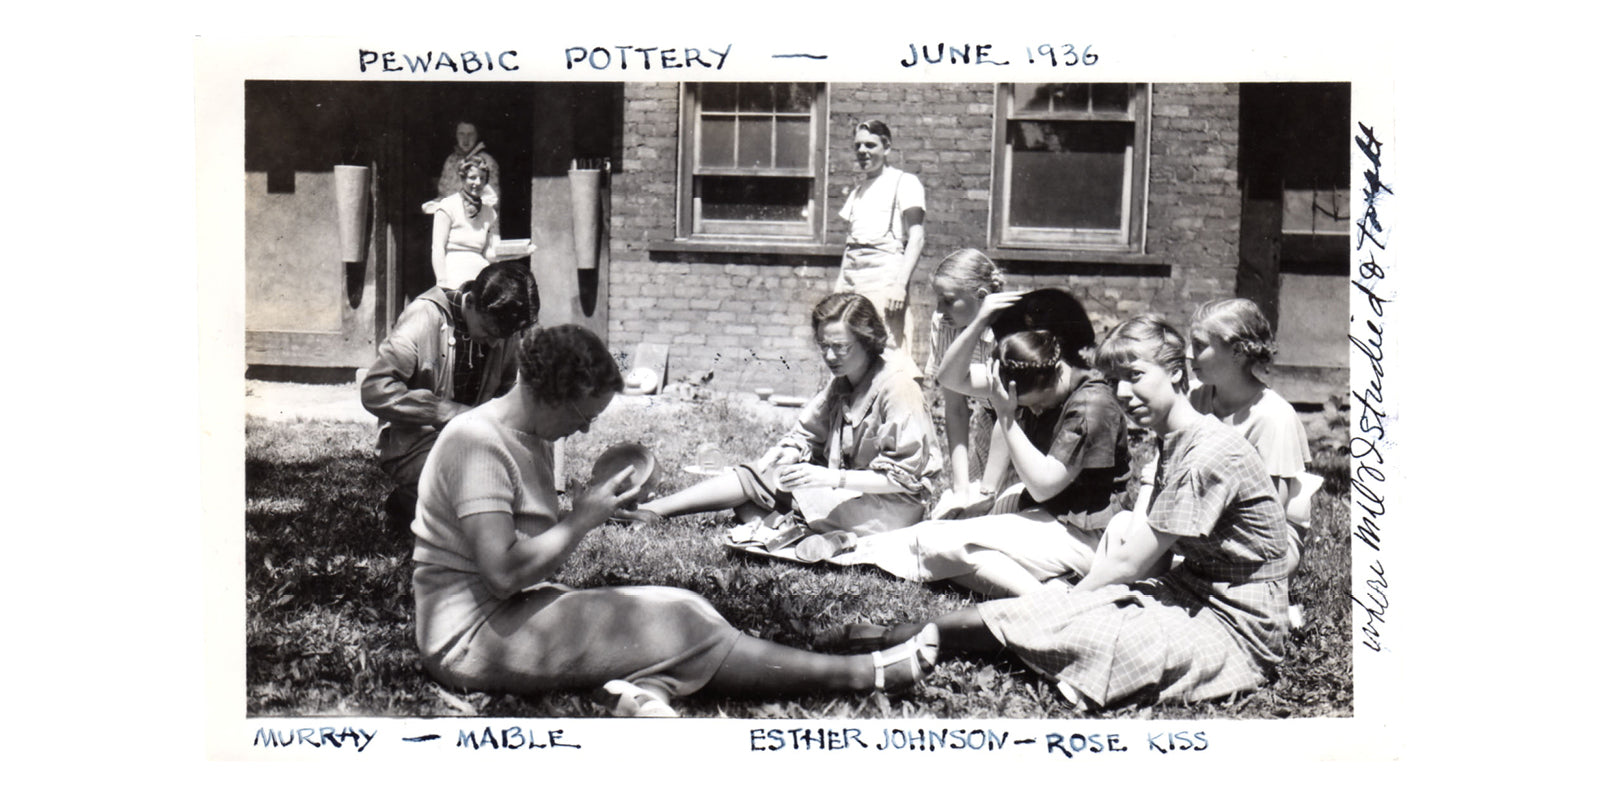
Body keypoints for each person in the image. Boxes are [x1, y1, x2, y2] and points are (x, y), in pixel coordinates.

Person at [411, 324, 940, 718]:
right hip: (469, 636)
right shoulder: (479, 443)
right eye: (583, 417)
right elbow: (502, 573)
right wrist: (580, 520)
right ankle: (857, 675)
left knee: (684, 604)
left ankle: (636, 692)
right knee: (680, 626)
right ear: (552, 395)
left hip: (517, 607)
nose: (584, 429)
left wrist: (585, 509)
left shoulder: (529, 437)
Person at [823, 315, 1298, 711]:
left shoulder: (1207, 452)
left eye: (1136, 376)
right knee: (1083, 617)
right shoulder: (1178, 439)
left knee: (1097, 631)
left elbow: (1134, 563)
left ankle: (912, 636)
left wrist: (1070, 605)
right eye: (1115, 381)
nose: (1125, 394)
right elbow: (1143, 563)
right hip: (1191, 589)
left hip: (1241, 621)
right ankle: (901, 634)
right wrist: (1089, 601)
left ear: (1176, 373)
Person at [624, 293, 942, 557]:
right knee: (763, 475)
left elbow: (904, 480)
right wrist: (790, 451)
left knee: (758, 498)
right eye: (823, 346)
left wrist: (830, 477)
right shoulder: (843, 382)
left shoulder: (898, 387)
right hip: (848, 491)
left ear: (868, 341)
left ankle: (796, 530)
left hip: (891, 508)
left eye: (841, 347)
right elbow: (807, 433)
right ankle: (654, 510)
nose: (830, 356)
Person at [842, 322, 1134, 600]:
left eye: (1036, 403)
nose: (1034, 410)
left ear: (1058, 372)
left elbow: (1045, 486)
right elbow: (951, 378)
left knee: (941, 546)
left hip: (1086, 535)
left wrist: (1007, 417)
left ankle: (1048, 600)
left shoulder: (1091, 405)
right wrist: (980, 320)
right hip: (1046, 515)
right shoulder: (1034, 373)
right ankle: (851, 548)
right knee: (938, 533)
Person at [361, 261, 537, 531]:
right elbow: (375, 389)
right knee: (474, 501)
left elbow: (507, 392)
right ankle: (406, 504)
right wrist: (446, 412)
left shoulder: (502, 331)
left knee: (512, 494)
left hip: (474, 445)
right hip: (415, 443)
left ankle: (429, 503)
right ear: (472, 302)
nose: (495, 344)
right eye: (489, 333)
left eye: (503, 337)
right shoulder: (425, 316)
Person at [1188, 298, 1320, 544]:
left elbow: (1270, 514)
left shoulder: (1273, 416)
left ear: (1237, 352)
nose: (1188, 355)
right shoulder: (1193, 398)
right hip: (1199, 526)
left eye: (1199, 346)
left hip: (1260, 539)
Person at [923, 249, 1011, 517]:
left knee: (997, 510)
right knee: (955, 510)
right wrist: (960, 489)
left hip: (1025, 428)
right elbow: (955, 408)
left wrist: (987, 492)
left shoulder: (1010, 328)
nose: (940, 310)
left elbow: (1010, 413)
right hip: (989, 423)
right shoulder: (945, 323)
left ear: (983, 297)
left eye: (949, 301)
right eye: (938, 300)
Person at [835, 120, 925, 352]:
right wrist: (838, 288)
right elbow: (850, 245)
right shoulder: (858, 191)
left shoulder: (904, 182)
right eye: (858, 146)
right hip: (852, 277)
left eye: (870, 145)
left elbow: (916, 237)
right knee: (850, 344)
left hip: (884, 276)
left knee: (885, 346)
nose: (862, 151)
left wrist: (900, 286)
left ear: (886, 148)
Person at [424, 155, 501, 290]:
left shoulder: (489, 212)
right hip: (453, 274)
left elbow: (488, 253)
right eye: (472, 177)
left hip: (480, 275)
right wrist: (442, 281)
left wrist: (511, 253)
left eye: (482, 178)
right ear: (463, 178)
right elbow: (437, 247)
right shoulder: (447, 206)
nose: (477, 183)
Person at [436, 120, 500, 205]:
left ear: (477, 135)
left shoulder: (487, 162)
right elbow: (442, 195)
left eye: (470, 134)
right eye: (461, 134)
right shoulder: (450, 161)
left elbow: (493, 200)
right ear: (455, 135)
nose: (465, 139)